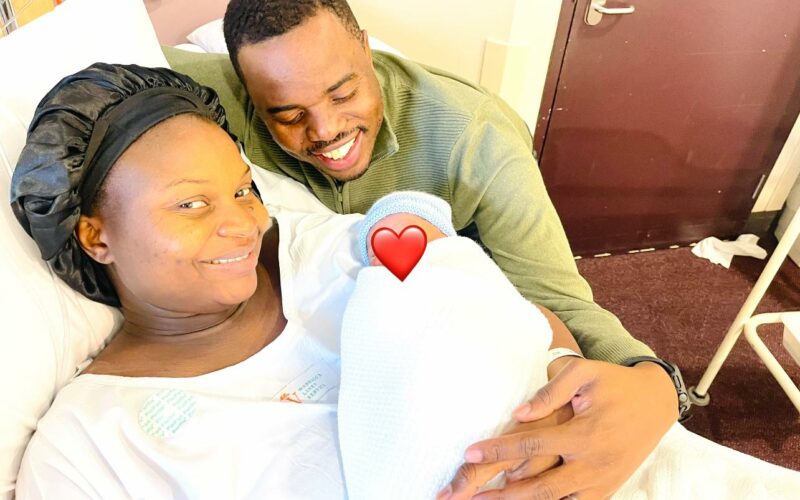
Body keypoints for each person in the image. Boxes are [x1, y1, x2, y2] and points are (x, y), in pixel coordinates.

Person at [162, 1, 685, 497]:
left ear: (366, 47)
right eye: (288, 115)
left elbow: (559, 298)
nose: (326, 131)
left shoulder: (477, 138)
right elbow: (120, 57)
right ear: (247, 91)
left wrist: (657, 384)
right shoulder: (205, 94)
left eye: (343, 94)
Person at [9, 63, 573, 499]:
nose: (243, 223)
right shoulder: (90, 447)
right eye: (191, 204)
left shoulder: (334, 253)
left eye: (243, 190)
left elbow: (518, 322)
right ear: (96, 237)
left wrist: (570, 405)